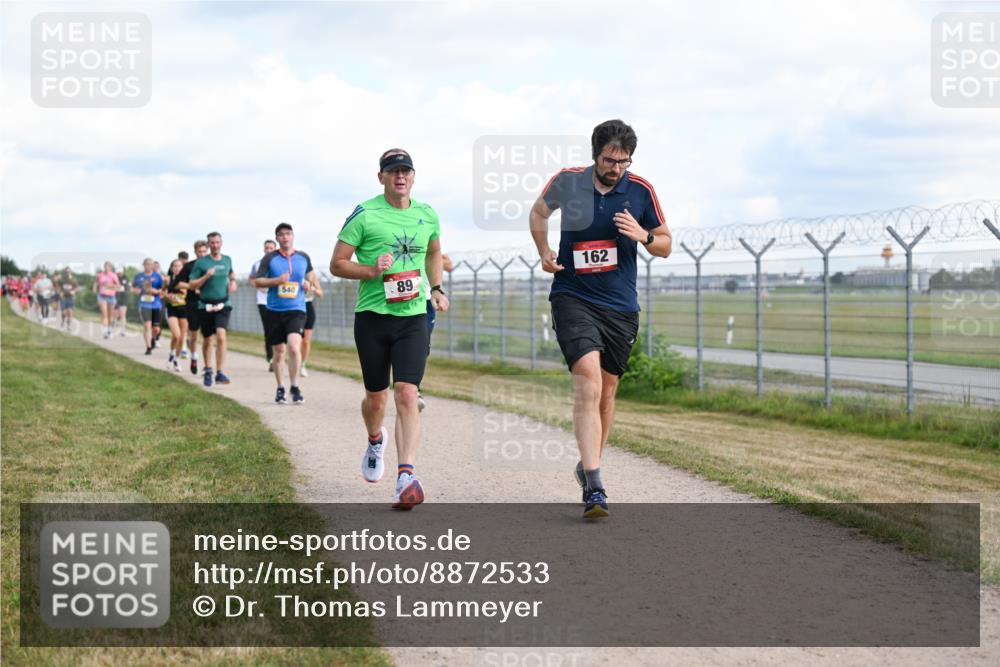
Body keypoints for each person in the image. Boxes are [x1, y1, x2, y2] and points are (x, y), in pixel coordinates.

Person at [529, 119, 672, 518]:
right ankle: (595, 485)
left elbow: (666, 245)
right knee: (588, 383)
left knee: (607, 392)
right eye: (610, 160)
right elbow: (538, 213)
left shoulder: (640, 190)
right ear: (595, 155)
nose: (617, 168)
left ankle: (589, 462)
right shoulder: (568, 181)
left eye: (624, 161)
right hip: (573, 296)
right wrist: (544, 251)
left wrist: (643, 235)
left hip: (620, 306)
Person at [331, 148, 448, 510]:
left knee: (408, 393)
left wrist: (437, 288)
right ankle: (374, 440)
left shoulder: (427, 213)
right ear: (381, 177)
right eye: (393, 171)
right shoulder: (365, 214)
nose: (400, 177)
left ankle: (406, 477)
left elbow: (433, 252)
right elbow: (337, 264)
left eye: (405, 171)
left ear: (413, 177)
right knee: (376, 399)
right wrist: (371, 271)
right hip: (373, 317)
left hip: (413, 316)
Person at [254, 223, 317, 404]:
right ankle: (280, 387)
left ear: (293, 236)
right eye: (281, 234)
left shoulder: (303, 257)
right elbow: (258, 281)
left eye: (288, 234)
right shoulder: (270, 258)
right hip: (274, 310)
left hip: (296, 309)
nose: (285, 237)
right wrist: (276, 280)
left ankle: (295, 386)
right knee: (279, 352)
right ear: (277, 238)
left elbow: (311, 277)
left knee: (294, 347)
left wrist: (308, 284)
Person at [187, 232, 236, 386]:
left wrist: (233, 281)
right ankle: (208, 369)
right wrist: (206, 277)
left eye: (217, 242)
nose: (215, 245)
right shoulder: (201, 263)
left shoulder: (227, 259)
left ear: (221, 243)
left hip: (223, 304)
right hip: (205, 305)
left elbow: (231, 273)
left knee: (221, 335)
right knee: (208, 339)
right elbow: (192, 285)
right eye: (212, 243)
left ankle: (220, 372)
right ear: (208, 245)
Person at [416, 252, 452, 411]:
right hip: (403, 297)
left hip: (425, 299)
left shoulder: (430, 244)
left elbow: (449, 265)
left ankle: (413, 388)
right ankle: (410, 390)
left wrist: (427, 258)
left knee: (422, 347)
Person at [177, 240, 209, 375]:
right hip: (193, 303)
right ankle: (194, 356)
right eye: (199, 251)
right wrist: (192, 286)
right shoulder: (189, 266)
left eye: (204, 251)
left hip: (209, 303)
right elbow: (178, 283)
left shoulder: (212, 265)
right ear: (195, 252)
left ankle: (207, 366)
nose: (202, 254)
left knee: (208, 335)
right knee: (194, 333)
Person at [249, 239, 278, 371]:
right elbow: (252, 279)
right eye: (267, 248)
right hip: (263, 301)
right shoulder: (257, 264)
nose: (269, 250)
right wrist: (259, 286)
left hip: (278, 301)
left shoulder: (280, 262)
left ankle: (278, 357)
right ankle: (271, 358)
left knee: (279, 330)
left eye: (271, 248)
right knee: (268, 329)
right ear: (263, 249)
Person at [131, 258, 164, 355]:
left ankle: (152, 339)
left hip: (156, 304)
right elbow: (133, 287)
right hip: (144, 304)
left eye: (151, 264)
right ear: (143, 265)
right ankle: (148, 347)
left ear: (153, 266)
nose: (149, 266)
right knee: (147, 325)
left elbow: (163, 289)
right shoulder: (139, 276)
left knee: (156, 329)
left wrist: (156, 291)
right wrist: (136, 291)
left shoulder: (157, 276)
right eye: (147, 264)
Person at [164, 258, 189, 371]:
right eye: (175, 266)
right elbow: (162, 291)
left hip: (184, 309)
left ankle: (176, 359)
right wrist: (167, 297)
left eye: (179, 266)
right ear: (171, 268)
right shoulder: (168, 280)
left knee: (181, 337)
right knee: (177, 335)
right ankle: (171, 354)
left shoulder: (187, 279)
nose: (177, 268)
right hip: (172, 309)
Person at [299, 273, 323, 377]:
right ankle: (295, 361)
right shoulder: (294, 273)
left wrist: (313, 289)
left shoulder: (312, 276)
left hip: (308, 308)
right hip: (296, 307)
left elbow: (320, 293)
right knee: (296, 340)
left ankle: (303, 365)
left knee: (306, 341)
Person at [94, 262, 120, 338]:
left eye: (108, 267)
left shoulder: (113, 275)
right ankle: (105, 332)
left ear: (110, 268)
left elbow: (118, 286)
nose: (106, 268)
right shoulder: (100, 275)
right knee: (104, 314)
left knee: (110, 315)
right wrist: (95, 289)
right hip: (102, 296)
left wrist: (111, 285)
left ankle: (110, 331)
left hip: (111, 296)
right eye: (105, 266)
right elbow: (96, 283)